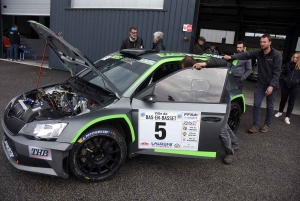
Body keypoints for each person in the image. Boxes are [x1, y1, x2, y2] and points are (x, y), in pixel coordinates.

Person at [181, 56, 239, 165]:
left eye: (185, 69)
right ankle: (235, 142)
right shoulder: (196, 74)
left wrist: (205, 64)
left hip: (222, 101)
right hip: (213, 102)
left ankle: (229, 152)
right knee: (224, 125)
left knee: (221, 128)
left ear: (192, 66)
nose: (186, 73)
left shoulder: (207, 69)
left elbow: (223, 62)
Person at [223, 34, 282, 133]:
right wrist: (231, 57)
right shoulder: (259, 53)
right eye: (261, 42)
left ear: (270, 42)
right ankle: (256, 125)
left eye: (264, 42)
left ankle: (267, 124)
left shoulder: (276, 55)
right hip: (261, 84)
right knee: (257, 104)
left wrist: (271, 86)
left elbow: (277, 72)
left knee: (270, 106)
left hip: (272, 85)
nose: (262, 44)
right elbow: (245, 55)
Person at [275, 52, 300, 124]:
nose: (295, 58)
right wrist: (285, 79)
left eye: (296, 57)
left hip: (295, 87)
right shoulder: (288, 65)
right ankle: (280, 112)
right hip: (286, 86)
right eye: (294, 57)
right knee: (283, 99)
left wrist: (297, 81)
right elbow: (282, 74)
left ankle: (287, 117)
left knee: (291, 102)